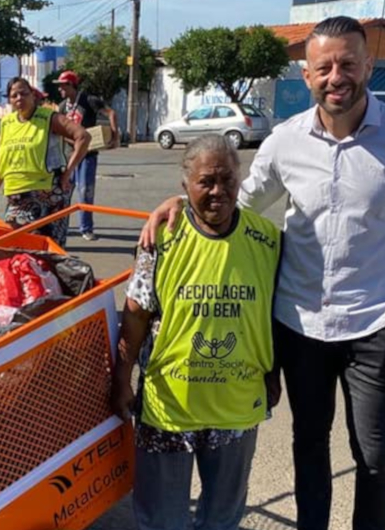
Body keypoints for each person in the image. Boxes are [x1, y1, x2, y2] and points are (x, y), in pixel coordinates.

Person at [140, 16, 385, 530]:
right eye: (324, 67)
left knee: (375, 457)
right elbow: (234, 203)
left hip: (379, 323)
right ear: (307, 75)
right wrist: (181, 202)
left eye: (348, 64)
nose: (337, 77)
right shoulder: (285, 142)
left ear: (368, 67)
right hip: (300, 327)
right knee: (309, 445)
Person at [113, 135, 281, 530]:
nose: (218, 191)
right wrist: (121, 379)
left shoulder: (268, 241)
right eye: (206, 181)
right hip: (168, 410)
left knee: (222, 519)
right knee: (162, 521)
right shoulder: (161, 239)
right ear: (185, 185)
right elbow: (135, 315)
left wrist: (275, 373)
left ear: (240, 180)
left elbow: (276, 318)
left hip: (237, 410)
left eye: (227, 180)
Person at [0, 77, 90, 247]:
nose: (19, 98)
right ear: (9, 100)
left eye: (24, 93)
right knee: (15, 250)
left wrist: (68, 173)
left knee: (43, 253)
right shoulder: (6, 123)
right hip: (15, 196)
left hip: (48, 194)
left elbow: (83, 137)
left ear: (33, 95)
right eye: (14, 95)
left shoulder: (48, 118)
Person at [55, 70, 119, 241]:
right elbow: (59, 130)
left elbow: (111, 113)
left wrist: (115, 136)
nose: (60, 89)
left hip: (88, 154)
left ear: (71, 85)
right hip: (69, 155)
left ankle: (86, 228)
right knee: (64, 193)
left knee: (85, 192)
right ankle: (61, 228)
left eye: (62, 86)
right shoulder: (61, 107)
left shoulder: (89, 100)